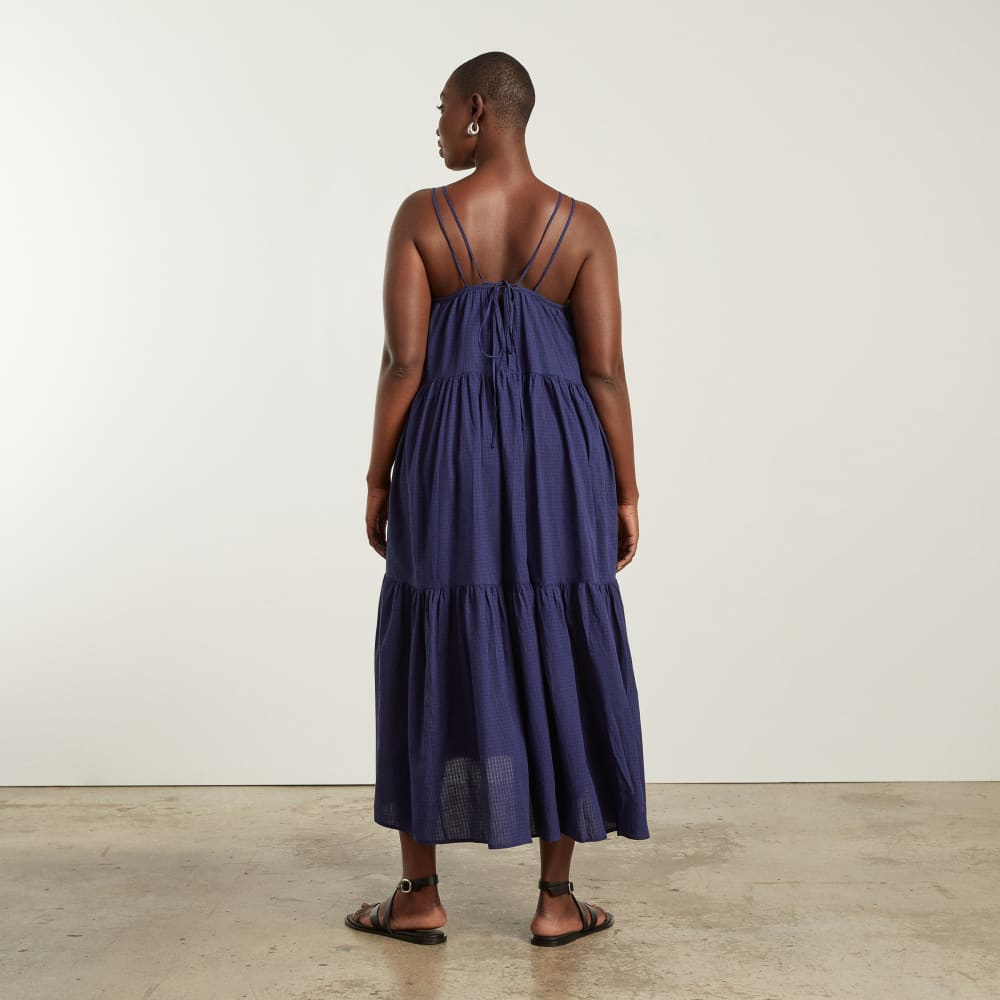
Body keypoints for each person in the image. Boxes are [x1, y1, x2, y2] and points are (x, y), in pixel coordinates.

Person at [348, 51, 649, 948]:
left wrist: (377, 475)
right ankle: (556, 901)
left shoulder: (423, 217)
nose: (438, 126)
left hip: (449, 459)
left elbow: (405, 363)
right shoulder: (583, 227)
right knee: (558, 641)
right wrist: (626, 488)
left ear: (478, 109)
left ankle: (420, 894)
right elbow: (604, 370)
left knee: (432, 639)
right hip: (561, 458)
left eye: (443, 108)